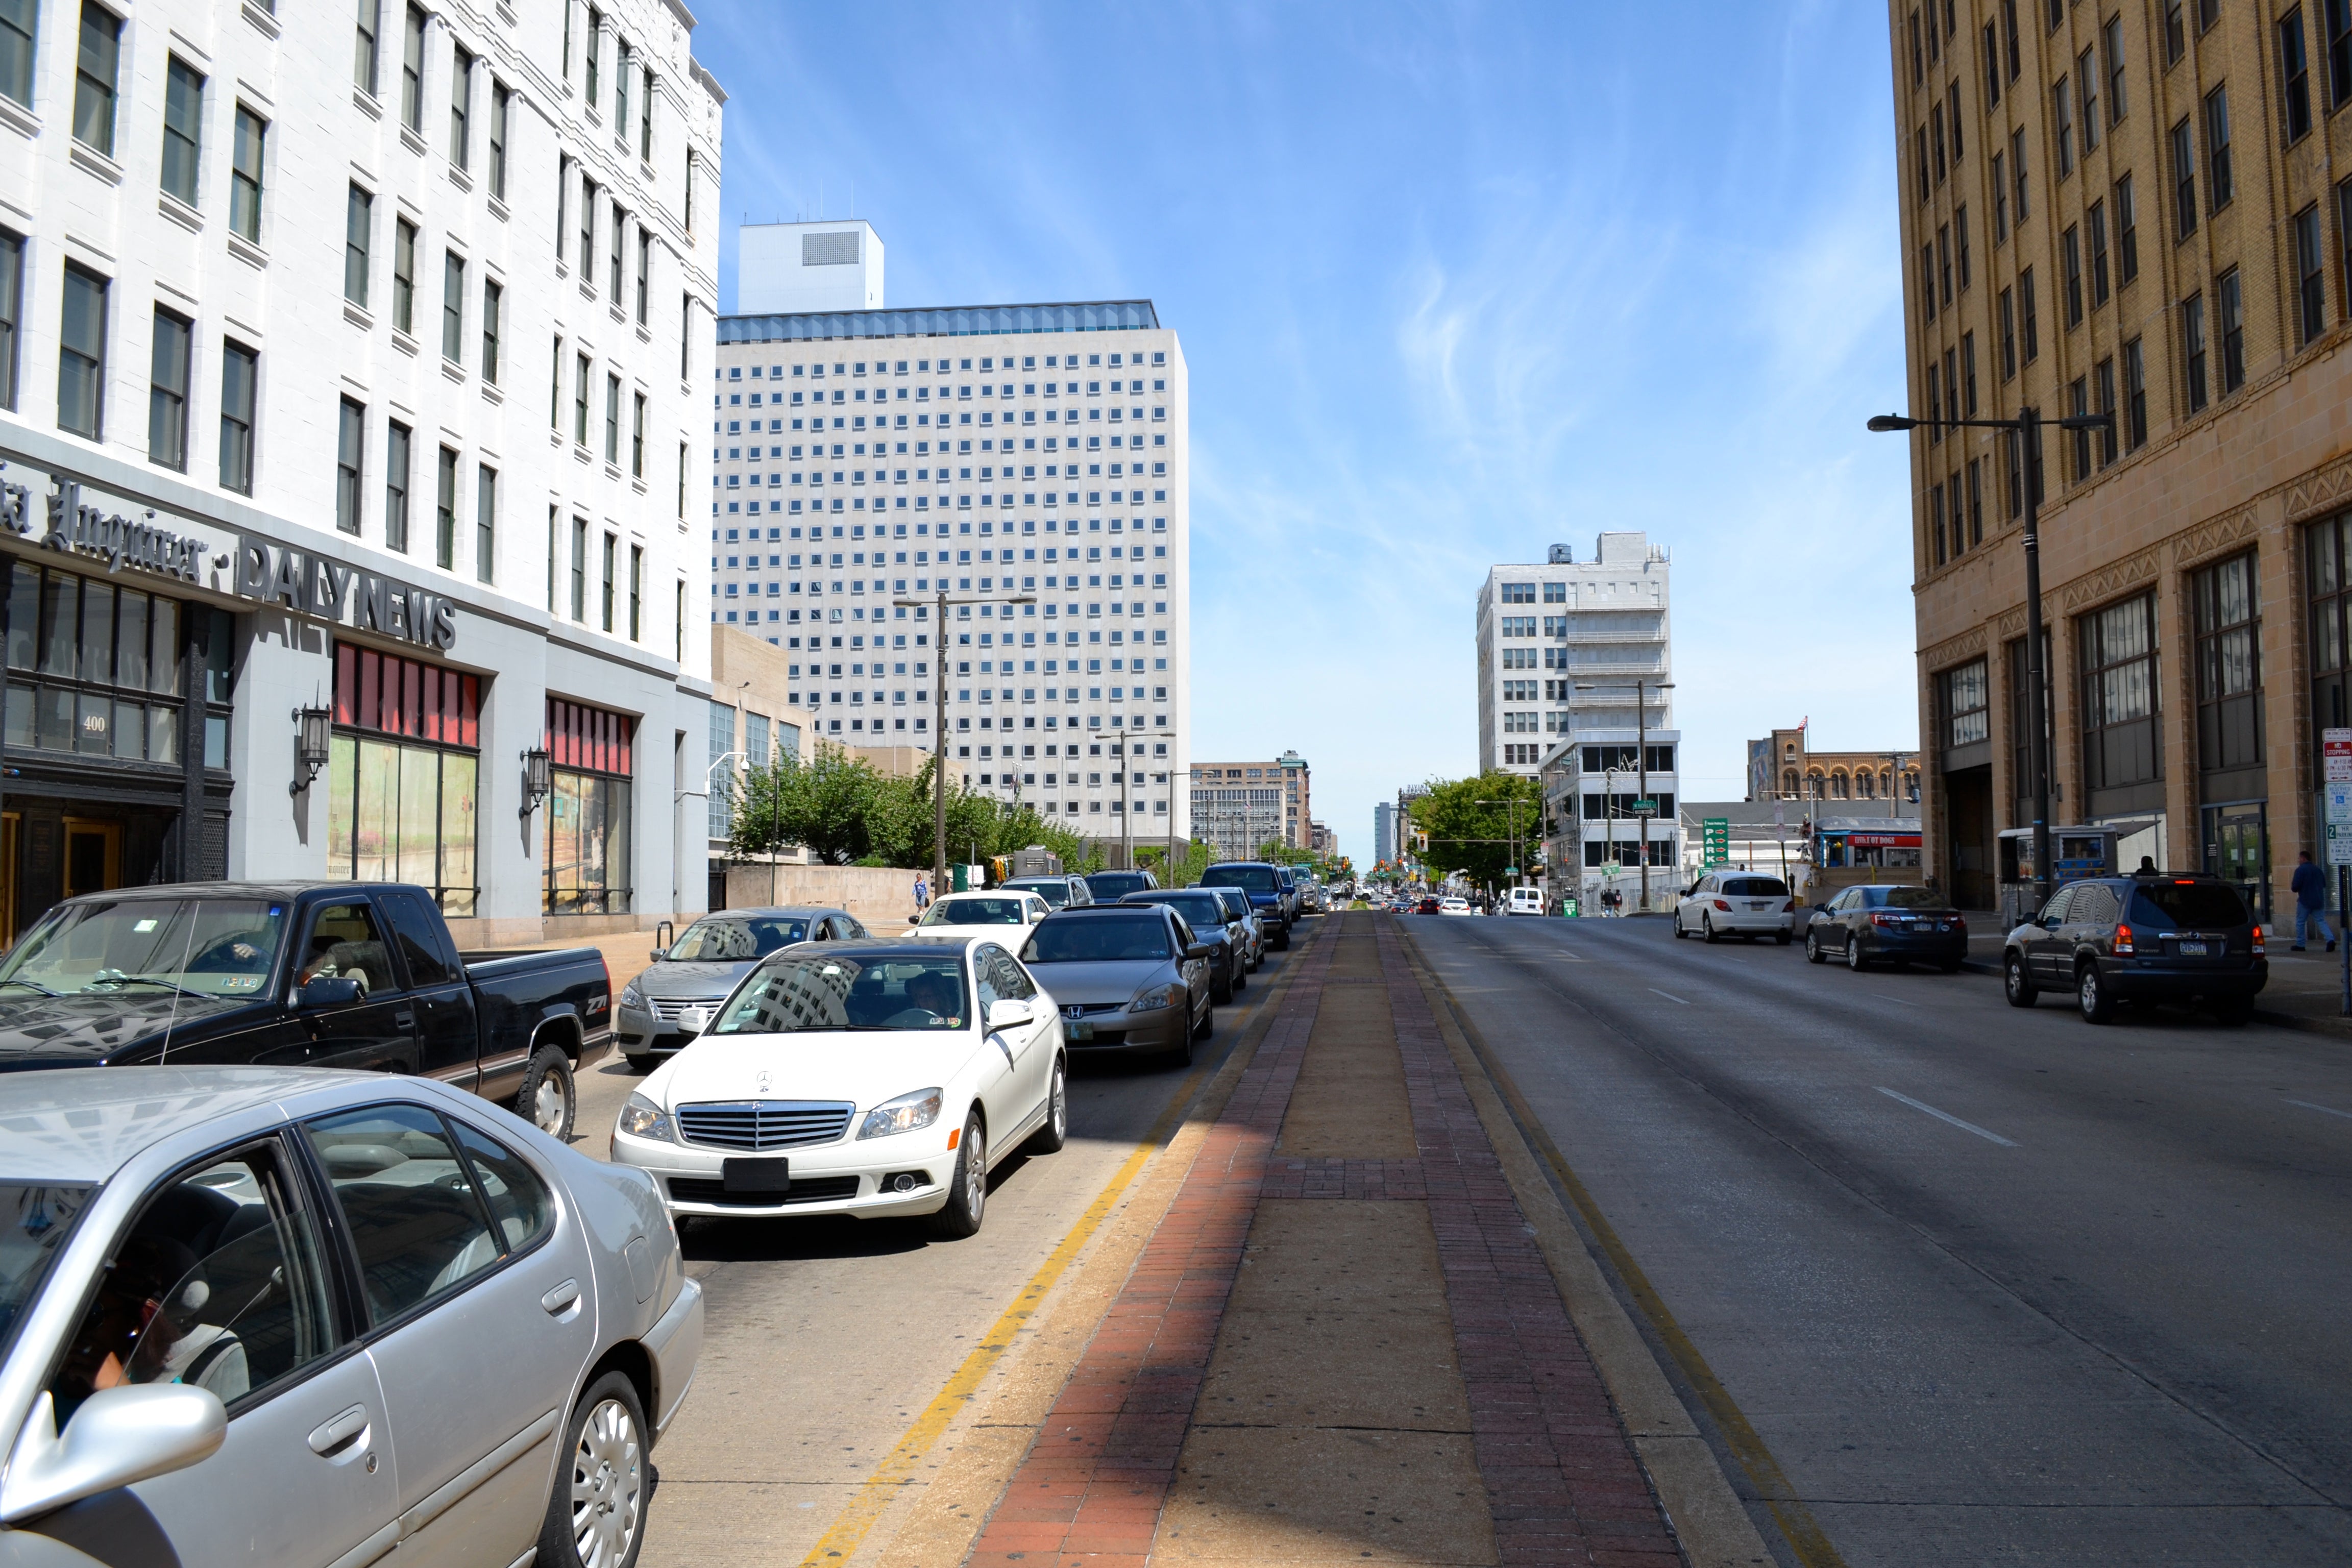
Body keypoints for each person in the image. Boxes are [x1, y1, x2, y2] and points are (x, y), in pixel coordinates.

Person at [2291, 850, 2336, 952]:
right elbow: (2324, 884)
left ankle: (2301, 944)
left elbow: (2295, 887)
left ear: (2303, 858)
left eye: (2299, 858)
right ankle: (2330, 940)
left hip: (2305, 900)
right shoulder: (2318, 870)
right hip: (2318, 900)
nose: (2299, 860)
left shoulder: (2300, 870)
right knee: (2321, 921)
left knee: (2300, 922)